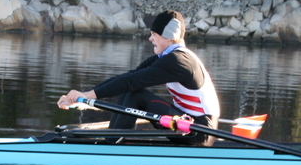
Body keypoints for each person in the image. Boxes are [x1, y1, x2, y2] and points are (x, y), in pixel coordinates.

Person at [57, 10, 221, 146]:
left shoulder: (178, 61)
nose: (150, 39)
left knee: (135, 93)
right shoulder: (167, 57)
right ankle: (112, 141)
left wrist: (87, 96)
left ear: (169, 36)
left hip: (200, 133)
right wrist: (84, 98)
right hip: (187, 124)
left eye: (154, 34)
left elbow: (131, 82)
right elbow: (127, 78)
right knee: (130, 89)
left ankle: (112, 147)